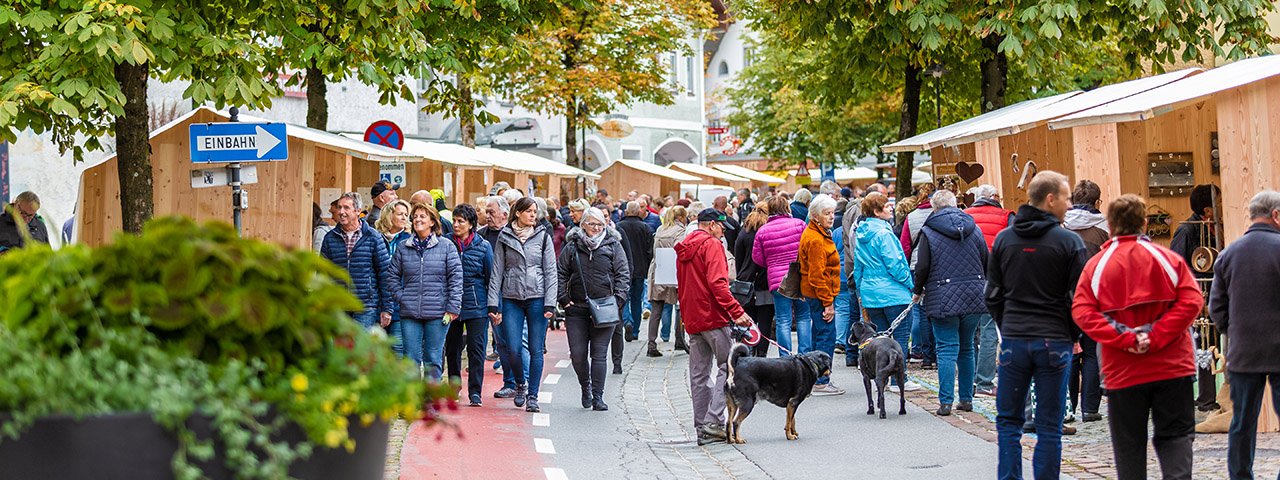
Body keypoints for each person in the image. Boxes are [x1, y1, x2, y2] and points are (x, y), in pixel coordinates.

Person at [1071, 194, 1201, 480]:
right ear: (1144, 222)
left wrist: (1125, 338)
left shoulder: (1097, 266)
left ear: (1110, 224)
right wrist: (1156, 335)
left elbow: (1082, 312)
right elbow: (1191, 301)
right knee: (1176, 439)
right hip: (1171, 365)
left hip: (1123, 370)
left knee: (1129, 447)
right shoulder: (1167, 259)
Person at [986, 171, 1088, 480]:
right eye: (1067, 198)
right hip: (1054, 339)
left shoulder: (1005, 238)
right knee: (1049, 426)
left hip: (1016, 338)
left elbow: (992, 294)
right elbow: (1078, 297)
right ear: (1050, 199)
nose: (1070, 205)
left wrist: (1009, 325)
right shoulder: (1069, 241)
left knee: (1008, 422)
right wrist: (1072, 334)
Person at [1210, 190, 1280, 479]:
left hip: (1243, 352)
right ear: (1276, 215)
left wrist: (1233, 331)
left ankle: (1240, 476)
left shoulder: (1229, 254)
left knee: (1241, 422)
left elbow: (1216, 308)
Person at [676, 208, 753, 445]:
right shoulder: (712, 245)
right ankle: (713, 422)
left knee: (699, 373)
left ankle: (702, 425)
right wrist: (737, 312)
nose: (723, 233)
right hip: (713, 315)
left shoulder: (686, 245)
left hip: (693, 316)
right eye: (721, 227)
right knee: (728, 368)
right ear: (711, 225)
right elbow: (717, 284)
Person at [911, 190, 988, 416]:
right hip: (974, 293)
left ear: (934, 208)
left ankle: (945, 402)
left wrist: (917, 291)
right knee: (967, 348)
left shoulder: (928, 232)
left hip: (942, 295)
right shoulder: (975, 229)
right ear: (955, 205)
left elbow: (922, 266)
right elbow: (986, 260)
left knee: (946, 349)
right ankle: (966, 399)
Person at [489, 197, 558, 413]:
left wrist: (550, 303)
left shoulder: (543, 237)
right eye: (528, 211)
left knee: (536, 349)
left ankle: (533, 395)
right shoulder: (505, 236)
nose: (532, 215)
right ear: (517, 213)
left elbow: (550, 272)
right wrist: (493, 303)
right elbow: (497, 270)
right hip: (511, 297)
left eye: (534, 211)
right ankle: (520, 383)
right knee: (513, 348)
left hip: (537, 298)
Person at [558, 207, 630, 411]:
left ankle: (598, 396)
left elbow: (623, 274)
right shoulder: (572, 246)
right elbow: (561, 271)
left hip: (605, 308)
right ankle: (585, 387)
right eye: (592, 224)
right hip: (577, 309)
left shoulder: (613, 245)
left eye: (600, 224)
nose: (596, 228)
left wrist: (618, 300)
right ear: (583, 225)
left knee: (599, 355)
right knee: (578, 354)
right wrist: (564, 299)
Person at [853, 193, 920, 391]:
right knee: (899, 338)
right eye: (886, 206)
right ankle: (900, 379)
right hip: (893, 292)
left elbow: (858, 267)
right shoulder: (884, 234)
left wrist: (860, 289)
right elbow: (895, 264)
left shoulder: (861, 234)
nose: (891, 208)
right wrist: (910, 284)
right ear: (876, 211)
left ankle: (883, 377)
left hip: (871, 293)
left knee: (881, 338)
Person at [389, 203, 462, 381]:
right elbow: (391, 276)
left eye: (422, 216)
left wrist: (453, 307)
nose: (418, 220)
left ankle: (430, 402)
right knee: (410, 358)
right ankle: (412, 402)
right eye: (415, 217)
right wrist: (402, 297)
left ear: (432, 221)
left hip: (438, 313)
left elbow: (456, 279)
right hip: (410, 312)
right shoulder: (403, 246)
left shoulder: (446, 246)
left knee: (433, 358)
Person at [1062, 180, 1108, 423]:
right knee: (1091, 353)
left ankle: (1068, 408)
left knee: (1069, 352)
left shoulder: (1060, 227)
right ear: (1097, 201)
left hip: (1065, 297)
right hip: (1095, 297)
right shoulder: (1105, 228)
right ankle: (1090, 408)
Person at [964, 184, 1013, 397]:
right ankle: (984, 381)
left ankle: (969, 379)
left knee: (969, 332)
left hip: (966, 279)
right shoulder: (1006, 217)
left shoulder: (963, 216)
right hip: (994, 279)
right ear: (994, 197)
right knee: (989, 330)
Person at [320, 192, 395, 331]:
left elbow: (385, 274)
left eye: (346, 208)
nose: (341, 212)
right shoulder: (330, 238)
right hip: (338, 305)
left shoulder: (373, 237)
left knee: (359, 349)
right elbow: (324, 272)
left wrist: (387, 308)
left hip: (365, 306)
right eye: (339, 207)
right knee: (340, 349)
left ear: (358, 211)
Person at [445, 204, 493, 407]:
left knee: (476, 349)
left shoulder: (483, 246)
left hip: (477, 304)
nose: (456, 224)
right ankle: (454, 388)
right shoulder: (445, 243)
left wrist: (493, 307)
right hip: (450, 304)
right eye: (454, 220)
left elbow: (490, 276)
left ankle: (475, 392)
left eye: (460, 221)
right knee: (452, 349)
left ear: (471, 224)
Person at [798, 194, 844, 396]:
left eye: (832, 213)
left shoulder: (816, 233)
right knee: (826, 335)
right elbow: (818, 275)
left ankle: (815, 379)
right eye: (827, 213)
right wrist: (828, 303)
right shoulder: (816, 239)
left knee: (819, 333)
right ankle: (821, 380)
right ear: (815, 216)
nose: (831, 217)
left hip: (815, 293)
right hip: (820, 294)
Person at [752, 195, 809, 356]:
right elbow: (807, 249)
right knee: (804, 317)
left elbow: (757, 258)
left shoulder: (763, 231)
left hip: (777, 280)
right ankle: (805, 355)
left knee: (783, 320)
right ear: (787, 208)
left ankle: (785, 357)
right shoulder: (799, 225)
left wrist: (772, 264)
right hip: (799, 277)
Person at [900, 183, 937, 369]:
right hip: (938, 266)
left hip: (916, 265)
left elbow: (905, 245)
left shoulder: (911, 217)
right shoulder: (940, 213)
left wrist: (907, 267)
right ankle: (937, 353)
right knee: (938, 309)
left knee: (921, 311)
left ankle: (926, 356)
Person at [647, 206, 691, 357]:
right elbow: (681, 250)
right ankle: (680, 340)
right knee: (680, 306)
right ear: (681, 217)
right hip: (674, 271)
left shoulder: (660, 229)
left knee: (656, 308)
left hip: (658, 269)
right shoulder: (681, 231)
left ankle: (651, 344)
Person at [734, 202, 774, 358]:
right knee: (765, 321)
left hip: (746, 284)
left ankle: (747, 351)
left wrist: (742, 276)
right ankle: (761, 355)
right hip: (765, 283)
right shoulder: (768, 232)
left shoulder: (744, 232)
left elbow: (739, 258)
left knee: (748, 321)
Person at [375, 199, 413, 355]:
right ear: (389, 215)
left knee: (398, 349)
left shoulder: (409, 240)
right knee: (376, 351)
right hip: (377, 303)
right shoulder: (375, 238)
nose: (404, 218)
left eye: (406, 214)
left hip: (400, 305)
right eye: (400, 214)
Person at [617, 201, 654, 343]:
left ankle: (627, 321)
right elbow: (649, 251)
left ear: (626, 212)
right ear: (639, 212)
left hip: (623, 269)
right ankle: (636, 331)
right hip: (640, 270)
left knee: (624, 297)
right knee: (637, 300)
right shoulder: (645, 228)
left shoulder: (619, 227)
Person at [1170, 184, 1220, 280]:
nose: (1223, 206)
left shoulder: (1217, 226)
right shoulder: (1186, 230)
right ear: (1208, 211)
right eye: (1220, 203)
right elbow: (1175, 266)